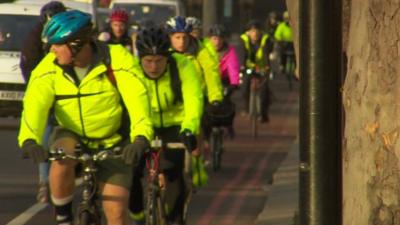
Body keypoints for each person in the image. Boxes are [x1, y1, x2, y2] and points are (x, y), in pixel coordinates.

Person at [18, 10, 153, 225]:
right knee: (61, 155)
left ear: (77, 44)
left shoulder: (116, 58)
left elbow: (139, 101)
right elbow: (34, 106)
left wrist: (140, 138)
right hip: (72, 133)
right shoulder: (48, 67)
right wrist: (29, 139)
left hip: (113, 138)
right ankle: (63, 217)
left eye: (57, 44)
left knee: (117, 213)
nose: (51, 49)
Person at [128, 26, 203, 225]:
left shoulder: (183, 66)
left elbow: (193, 100)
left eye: (159, 61)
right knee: (131, 172)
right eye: (148, 61)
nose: (154, 67)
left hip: (175, 126)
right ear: (140, 58)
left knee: (173, 174)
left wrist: (189, 129)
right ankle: (137, 217)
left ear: (167, 57)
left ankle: (175, 219)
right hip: (142, 125)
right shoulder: (132, 71)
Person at [19, 0, 66, 204]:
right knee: (45, 131)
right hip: (44, 89)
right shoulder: (34, 38)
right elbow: (29, 67)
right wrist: (41, 89)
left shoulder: (70, 35)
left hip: (67, 90)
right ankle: (44, 182)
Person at [207, 24, 240, 138]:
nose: (217, 42)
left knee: (226, 103)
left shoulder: (229, 51)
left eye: (220, 38)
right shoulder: (204, 50)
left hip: (223, 80)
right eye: (215, 38)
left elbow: (233, 68)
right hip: (208, 80)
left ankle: (229, 125)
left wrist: (234, 83)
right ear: (209, 39)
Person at [239, 19, 273, 122]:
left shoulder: (265, 40)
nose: (255, 34)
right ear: (248, 32)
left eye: (257, 31)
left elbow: (267, 53)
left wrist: (267, 67)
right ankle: (246, 108)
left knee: (264, 91)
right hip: (248, 68)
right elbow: (242, 54)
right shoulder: (243, 40)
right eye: (252, 31)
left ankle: (263, 114)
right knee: (244, 87)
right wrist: (242, 65)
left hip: (262, 67)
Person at [274, 11, 295, 76]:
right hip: (284, 43)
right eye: (286, 18)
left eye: (289, 18)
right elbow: (277, 35)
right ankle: (282, 65)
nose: (287, 20)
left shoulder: (295, 25)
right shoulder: (281, 26)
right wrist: (281, 41)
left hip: (293, 43)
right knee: (282, 52)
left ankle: (296, 68)